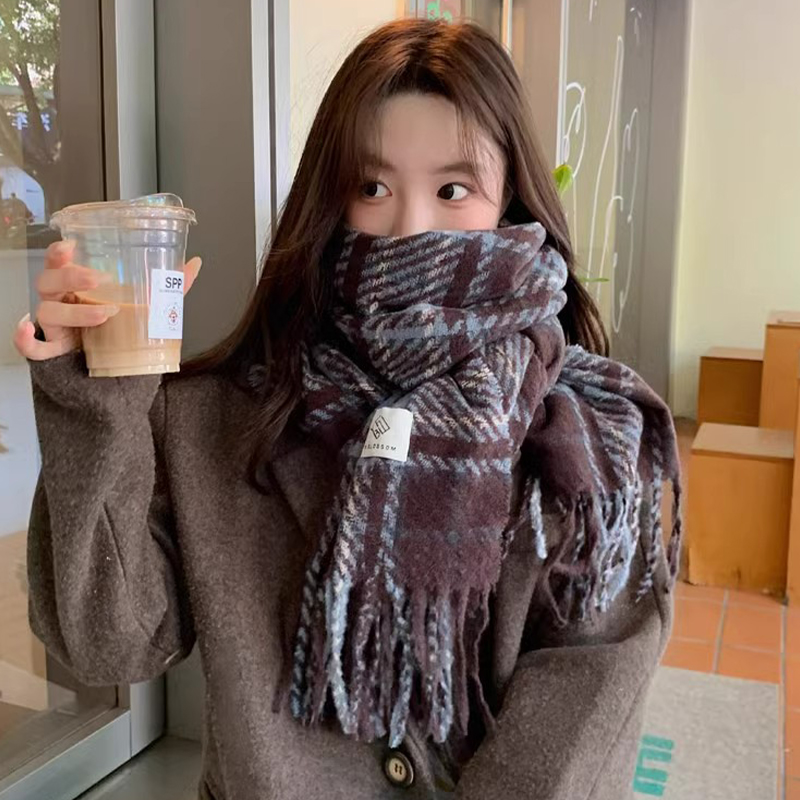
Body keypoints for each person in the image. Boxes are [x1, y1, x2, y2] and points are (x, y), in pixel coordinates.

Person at [13, 19, 680, 800]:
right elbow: (110, 645)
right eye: (373, 188)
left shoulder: (589, 442)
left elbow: (580, 716)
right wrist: (96, 398)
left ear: (509, 201)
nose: (410, 227)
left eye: (453, 189)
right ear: (331, 201)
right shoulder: (219, 417)